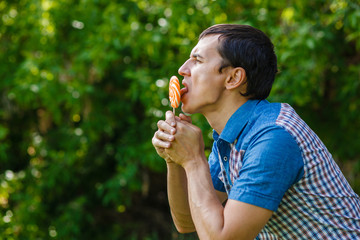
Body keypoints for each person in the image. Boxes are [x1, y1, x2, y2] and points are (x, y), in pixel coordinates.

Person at [152, 24, 360, 239]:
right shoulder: (231, 137)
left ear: (233, 78)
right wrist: (174, 159)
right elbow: (187, 221)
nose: (183, 69)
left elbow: (223, 237)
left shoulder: (273, 137)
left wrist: (193, 161)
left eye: (198, 60)